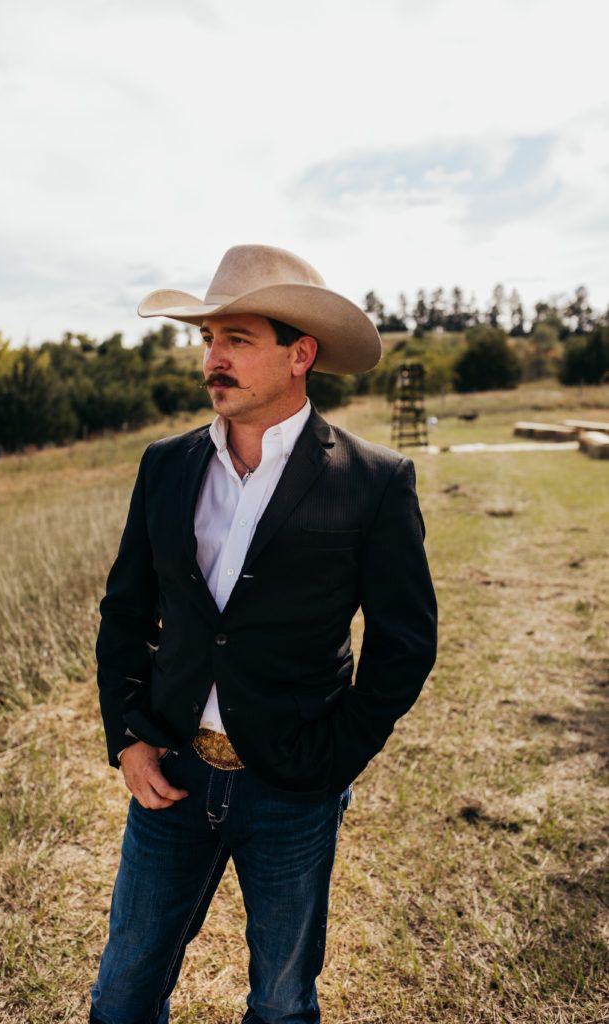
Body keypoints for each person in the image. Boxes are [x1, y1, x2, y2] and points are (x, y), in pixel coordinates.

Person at [90, 244, 437, 1024]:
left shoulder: (374, 480)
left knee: (281, 1002)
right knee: (121, 995)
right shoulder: (166, 465)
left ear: (299, 354)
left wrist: (334, 757)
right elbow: (124, 612)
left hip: (294, 788)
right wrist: (128, 737)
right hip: (170, 773)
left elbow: (404, 641)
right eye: (207, 340)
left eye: (236, 339)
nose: (212, 358)